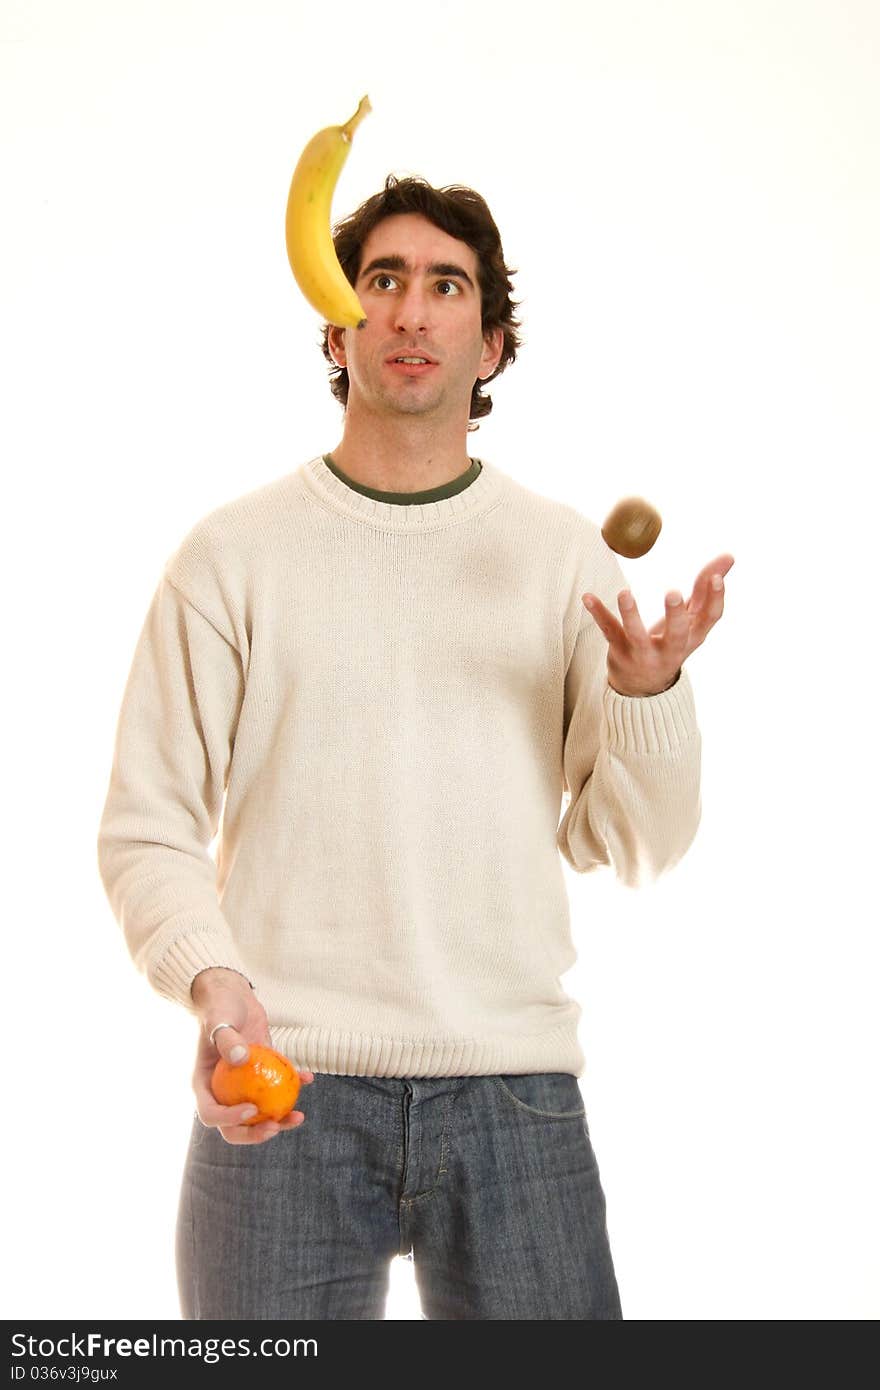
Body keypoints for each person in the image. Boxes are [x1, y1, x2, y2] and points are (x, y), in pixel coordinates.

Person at [96, 174, 733, 1321]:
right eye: (382, 280)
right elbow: (149, 826)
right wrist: (215, 984)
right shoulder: (230, 556)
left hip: (513, 1099)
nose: (411, 311)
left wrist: (652, 691)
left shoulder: (561, 559)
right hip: (284, 1089)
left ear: (489, 345)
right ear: (338, 327)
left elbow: (633, 846)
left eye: (447, 287)